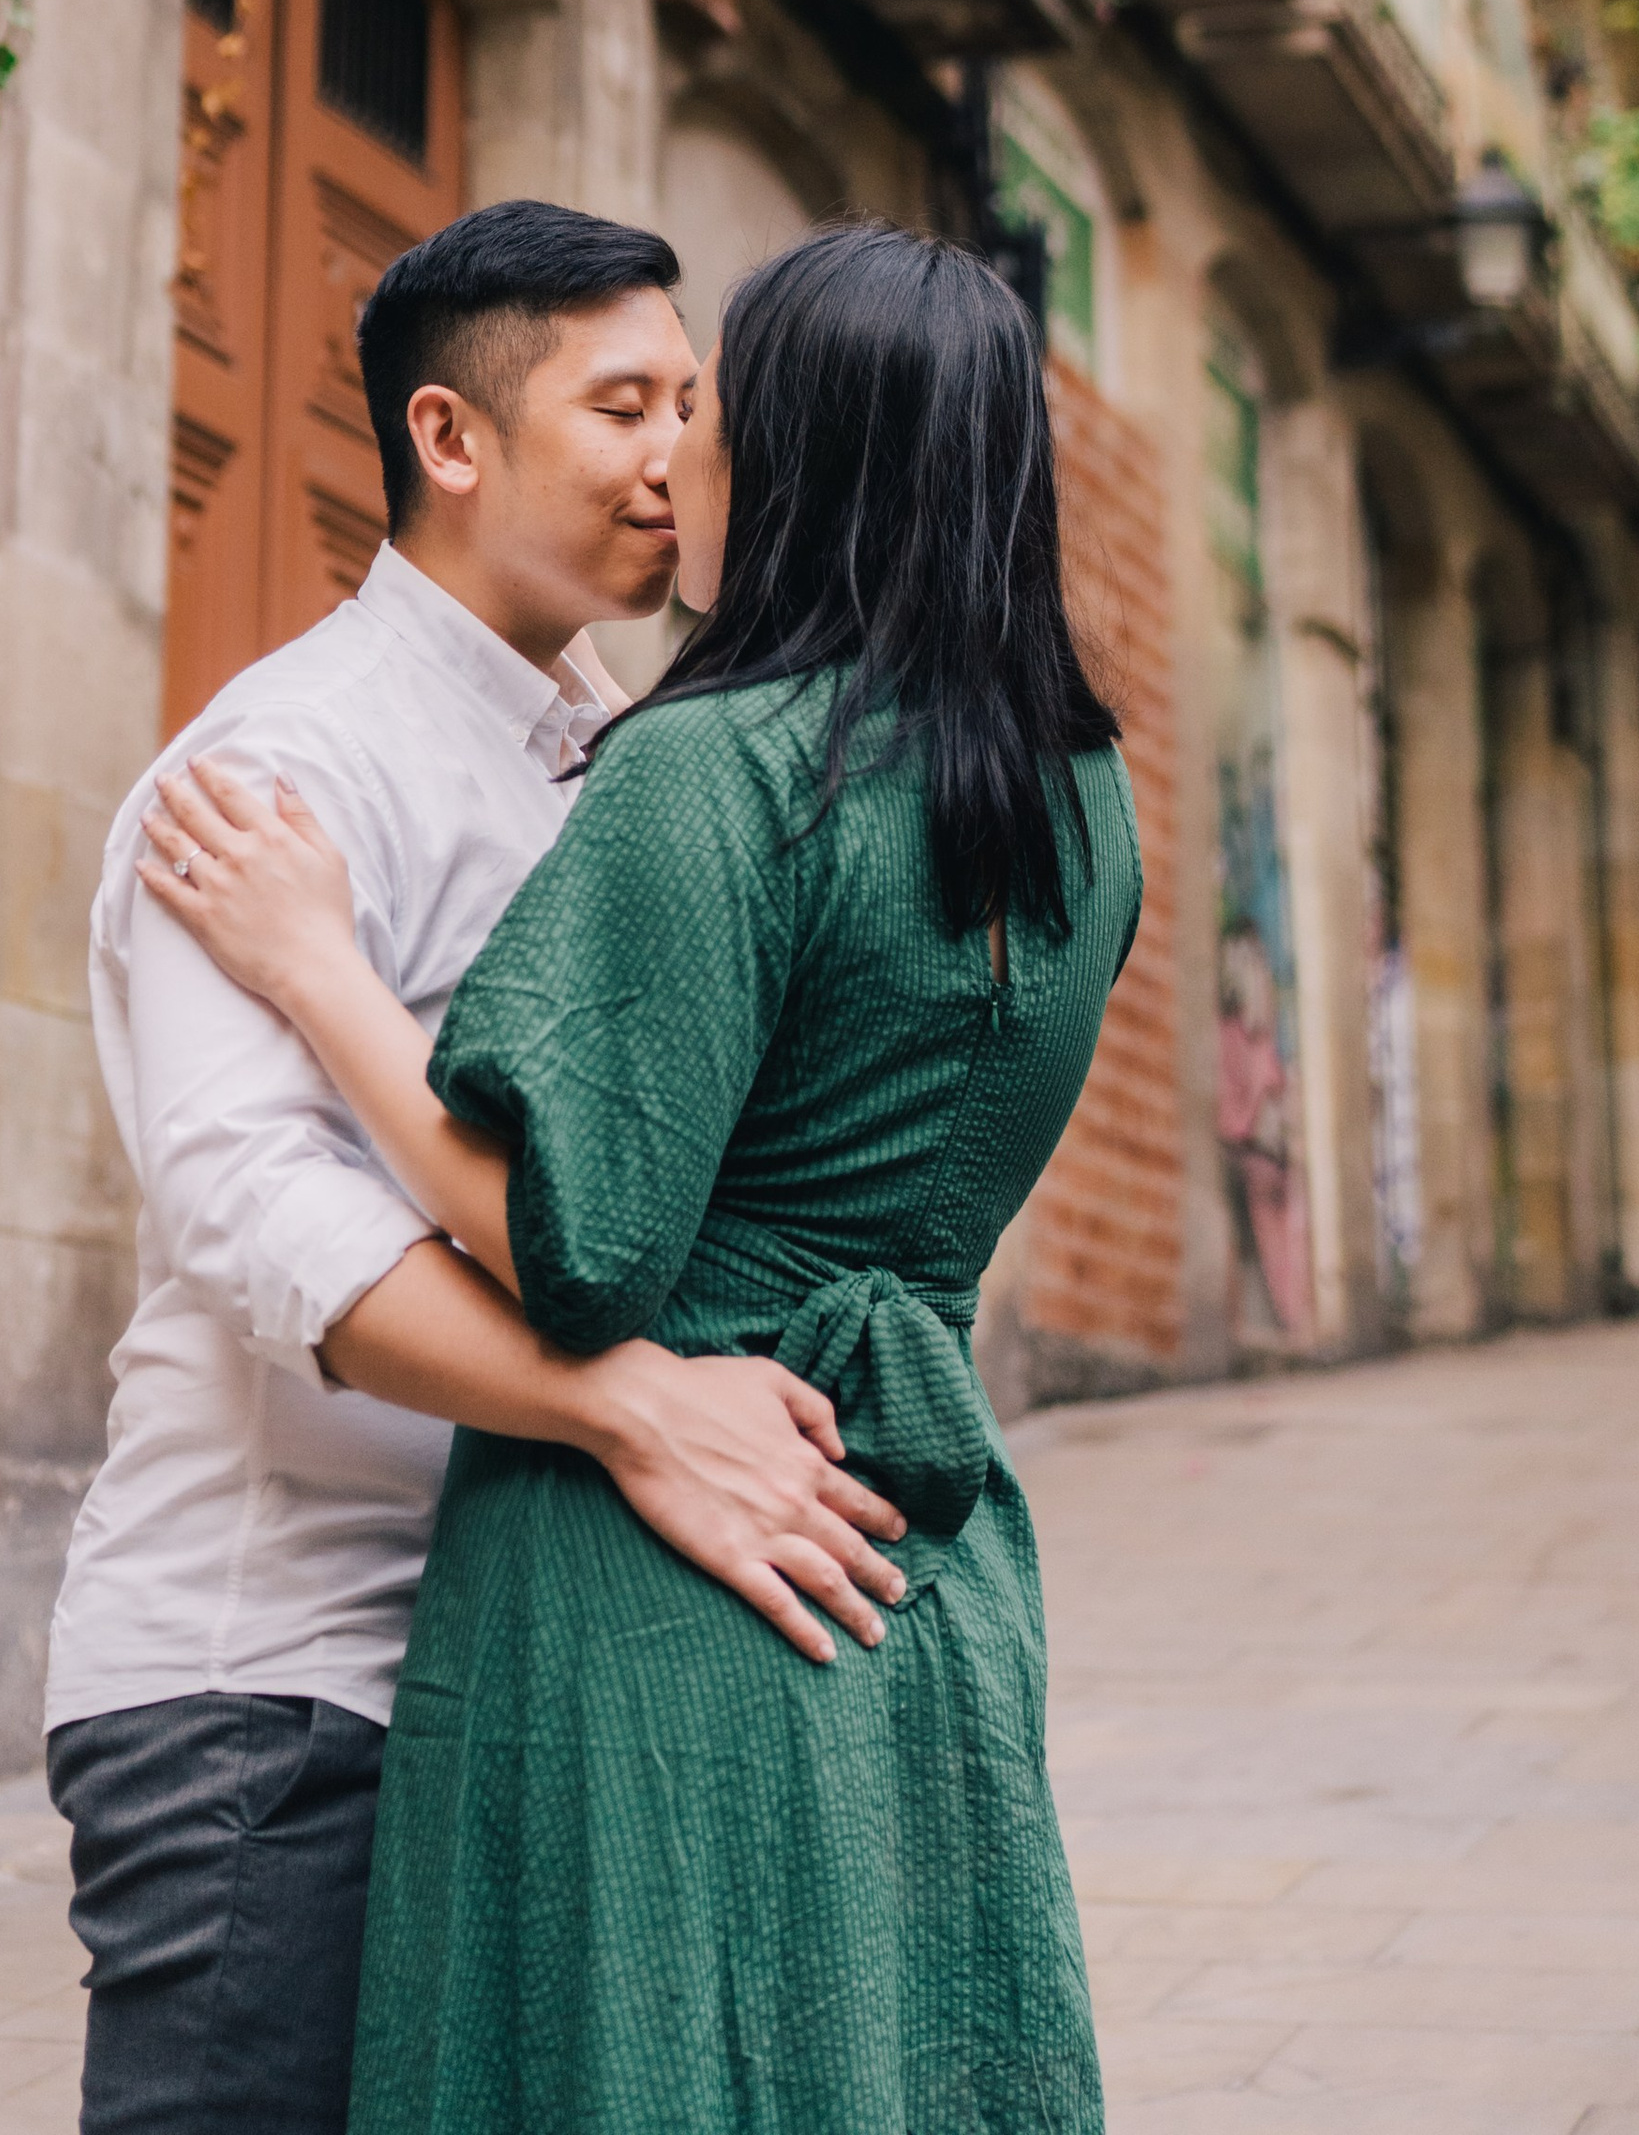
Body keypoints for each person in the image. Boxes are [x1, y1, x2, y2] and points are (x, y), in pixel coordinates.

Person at [145, 218, 1140, 2134]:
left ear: (797, 457)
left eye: (707, 404)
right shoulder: (1081, 802)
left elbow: (574, 1245)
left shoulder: (718, 765)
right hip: (919, 1532)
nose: (678, 448)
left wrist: (317, 972)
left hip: (656, 1586)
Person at [42, 199, 908, 2135]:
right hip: (274, 1701)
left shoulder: (629, 753)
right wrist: (620, 1412)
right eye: (622, 404)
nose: (679, 452)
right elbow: (262, 1226)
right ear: (449, 441)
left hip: (522, 1667)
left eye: (689, 399)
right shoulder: (275, 768)